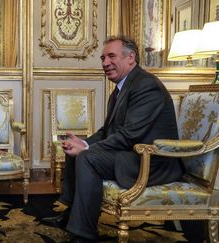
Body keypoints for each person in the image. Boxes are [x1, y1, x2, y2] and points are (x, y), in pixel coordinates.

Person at [41, 36, 183, 242]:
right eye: (102, 58)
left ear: (131, 58)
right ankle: (70, 215)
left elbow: (129, 135)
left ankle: (83, 234)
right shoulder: (121, 88)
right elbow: (108, 131)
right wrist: (84, 143)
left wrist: (87, 151)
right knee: (76, 151)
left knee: (87, 158)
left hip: (151, 162)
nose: (105, 63)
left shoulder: (146, 86)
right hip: (131, 153)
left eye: (111, 56)